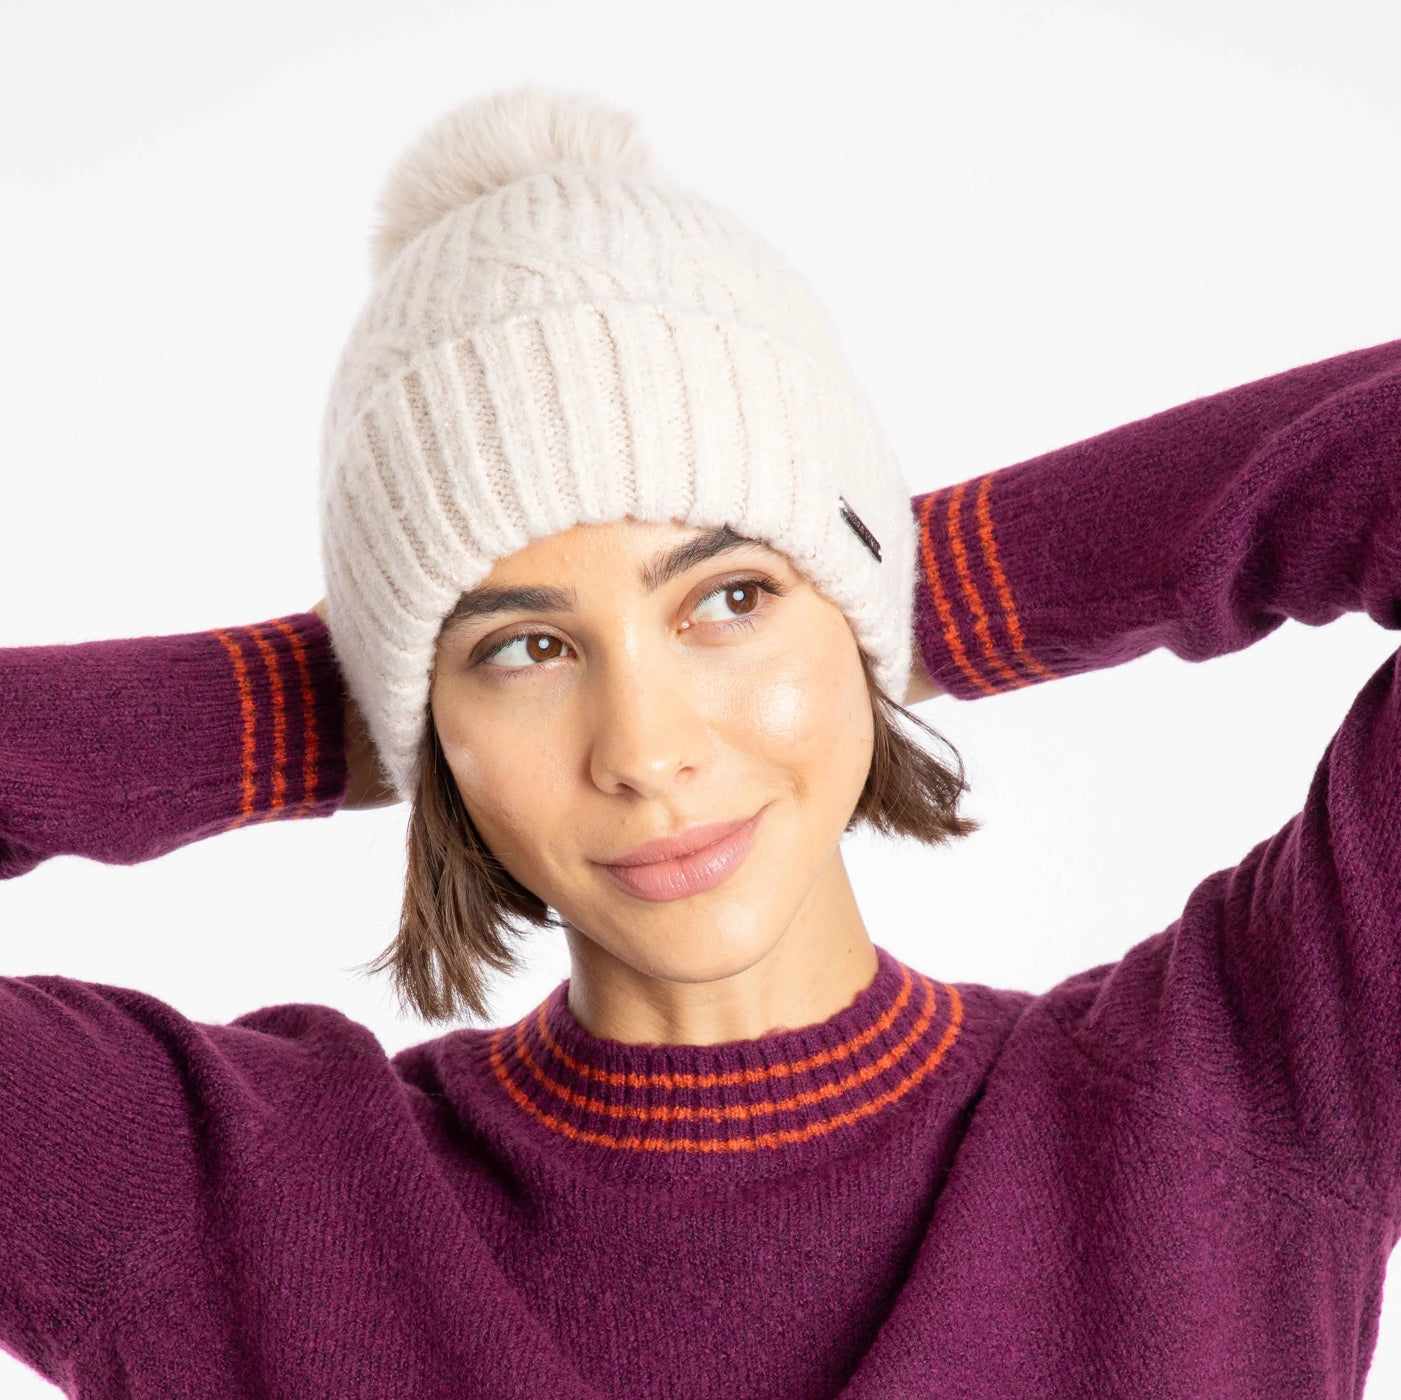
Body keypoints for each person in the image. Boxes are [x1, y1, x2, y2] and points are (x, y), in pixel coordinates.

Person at [1, 84, 1398, 1400]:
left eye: (732, 599)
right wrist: (338, 698)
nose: (647, 747)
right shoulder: (212, 1206)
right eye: (525, 649)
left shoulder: (1246, 1104)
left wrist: (924, 586)